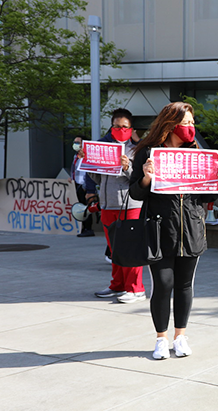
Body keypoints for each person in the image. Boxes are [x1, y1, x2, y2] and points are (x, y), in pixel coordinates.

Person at [128, 102, 218, 360]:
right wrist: (147, 176)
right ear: (171, 124)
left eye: (193, 123)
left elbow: (208, 196)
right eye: (186, 124)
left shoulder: (197, 152)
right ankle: (161, 339)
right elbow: (136, 192)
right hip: (160, 227)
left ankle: (180, 336)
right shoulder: (148, 153)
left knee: (185, 285)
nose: (191, 129)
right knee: (162, 284)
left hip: (191, 226)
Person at [84, 108, 146, 303]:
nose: (120, 129)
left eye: (124, 127)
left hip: (131, 204)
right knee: (114, 249)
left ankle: (136, 289)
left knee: (131, 248)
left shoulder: (139, 149)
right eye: (117, 126)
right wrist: (88, 163)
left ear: (131, 128)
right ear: (111, 127)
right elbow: (96, 177)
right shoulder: (103, 148)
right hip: (108, 204)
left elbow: (140, 179)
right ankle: (117, 285)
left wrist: (127, 167)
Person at [69, 136, 95, 237]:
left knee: (86, 207)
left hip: (84, 185)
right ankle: (83, 227)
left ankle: (89, 228)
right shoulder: (76, 156)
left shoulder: (87, 156)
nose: (75, 144)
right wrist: (71, 178)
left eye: (77, 142)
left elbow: (88, 172)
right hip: (77, 184)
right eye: (74, 142)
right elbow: (74, 169)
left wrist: (87, 186)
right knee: (80, 206)